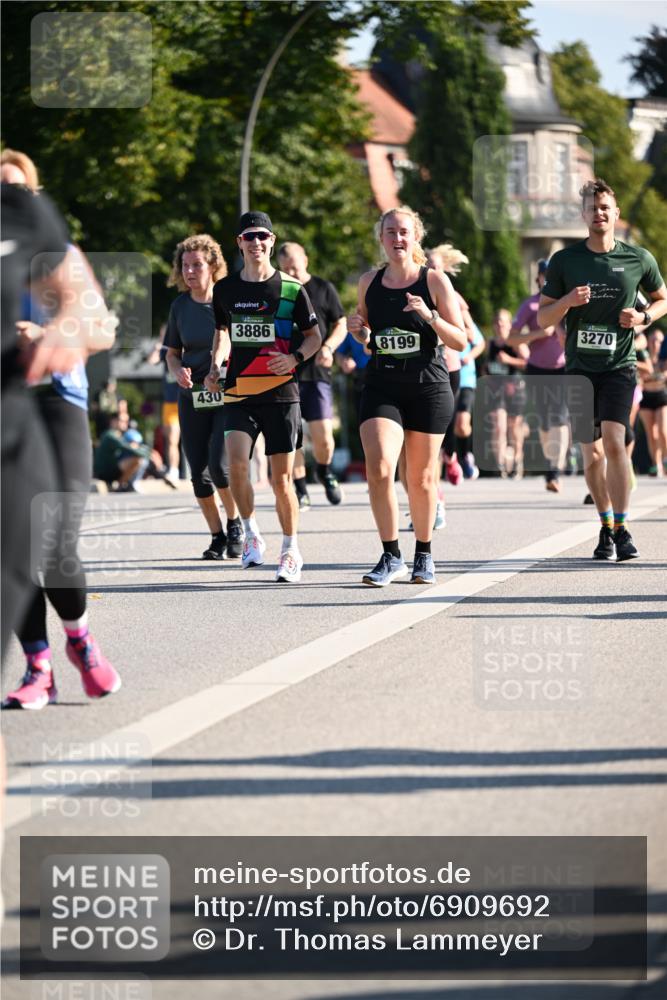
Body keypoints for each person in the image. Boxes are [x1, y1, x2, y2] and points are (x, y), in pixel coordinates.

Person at [2, 157, 119, 705]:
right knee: (12, 548)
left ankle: (80, 639)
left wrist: (52, 332)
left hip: (57, 402)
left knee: (55, 541)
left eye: (18, 185)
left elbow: (100, 324)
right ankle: (37, 666)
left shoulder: (43, 239)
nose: (10, 194)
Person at [538, 178, 667, 561]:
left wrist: (642, 316)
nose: (599, 214)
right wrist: (567, 300)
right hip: (579, 368)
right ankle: (605, 524)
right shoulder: (565, 261)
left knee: (614, 441)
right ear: (583, 215)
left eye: (605, 207)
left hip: (619, 366)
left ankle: (623, 529)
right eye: (593, 208)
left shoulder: (638, 258)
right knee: (591, 455)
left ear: (616, 213)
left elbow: (663, 300)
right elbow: (545, 317)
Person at [348, 205, 466, 587]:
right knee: (380, 467)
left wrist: (430, 316)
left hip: (428, 386)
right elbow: (370, 340)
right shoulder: (369, 282)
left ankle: (425, 555)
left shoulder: (433, 282)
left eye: (404, 232)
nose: (397, 239)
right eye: (390, 232)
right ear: (381, 238)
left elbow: (460, 341)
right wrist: (359, 332)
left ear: (416, 237)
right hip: (382, 383)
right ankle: (390, 554)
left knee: (421, 477)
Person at [205, 211, 321, 583]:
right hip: (239, 390)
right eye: (248, 237)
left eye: (262, 236)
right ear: (238, 243)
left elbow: (314, 336)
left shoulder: (290, 289)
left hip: (282, 393)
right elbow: (222, 333)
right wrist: (214, 366)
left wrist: (295, 357)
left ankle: (291, 549)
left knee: (280, 479)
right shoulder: (224, 290)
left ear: (272, 240)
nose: (256, 243)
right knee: (236, 464)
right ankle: (253, 534)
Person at [165, 235, 243, 560]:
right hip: (193, 394)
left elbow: (233, 341)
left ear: (212, 266)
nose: (190, 271)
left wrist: (218, 367)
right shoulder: (180, 306)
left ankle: (235, 522)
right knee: (197, 472)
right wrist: (177, 371)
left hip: (225, 391)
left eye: (197, 265)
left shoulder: (227, 300)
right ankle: (217, 536)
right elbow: (171, 353)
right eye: (185, 266)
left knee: (219, 467)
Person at [277, 242, 347, 508]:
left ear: (305, 259)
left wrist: (329, 346)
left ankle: (325, 470)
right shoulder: (280, 291)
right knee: (293, 437)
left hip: (317, 372)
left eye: (294, 266)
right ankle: (301, 488)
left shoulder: (323, 288)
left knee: (323, 437)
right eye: (285, 269)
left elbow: (340, 322)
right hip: (286, 374)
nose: (292, 273)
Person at [508, 259, 569, 492]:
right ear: (539, 278)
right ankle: (550, 466)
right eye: (545, 275)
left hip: (563, 368)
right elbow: (511, 339)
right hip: (536, 368)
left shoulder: (567, 303)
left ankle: (555, 471)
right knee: (545, 422)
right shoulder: (530, 306)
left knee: (560, 418)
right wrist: (537, 334)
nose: (548, 279)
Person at [485, 309, 529, 478]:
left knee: (514, 427)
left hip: (515, 389)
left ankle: (517, 461)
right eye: (496, 321)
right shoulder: (491, 343)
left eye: (502, 321)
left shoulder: (516, 342)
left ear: (510, 324)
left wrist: (509, 360)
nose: (499, 325)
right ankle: (501, 464)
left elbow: (528, 362)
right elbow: (487, 366)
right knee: (498, 426)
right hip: (496, 391)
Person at [147, 324, 181, 484]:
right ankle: (173, 470)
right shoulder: (164, 350)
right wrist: (159, 344)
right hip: (169, 402)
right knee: (170, 439)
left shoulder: (182, 346)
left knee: (181, 438)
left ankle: (176, 470)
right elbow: (151, 360)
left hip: (185, 399)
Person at [638, 328, 667, 477]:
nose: (655, 343)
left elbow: (659, 377)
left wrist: (652, 377)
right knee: (651, 433)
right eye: (653, 340)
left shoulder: (664, 358)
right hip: (646, 397)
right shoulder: (643, 356)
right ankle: (656, 465)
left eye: (659, 340)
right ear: (648, 342)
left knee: (662, 430)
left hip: (662, 396)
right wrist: (655, 376)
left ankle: (665, 459)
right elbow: (642, 378)